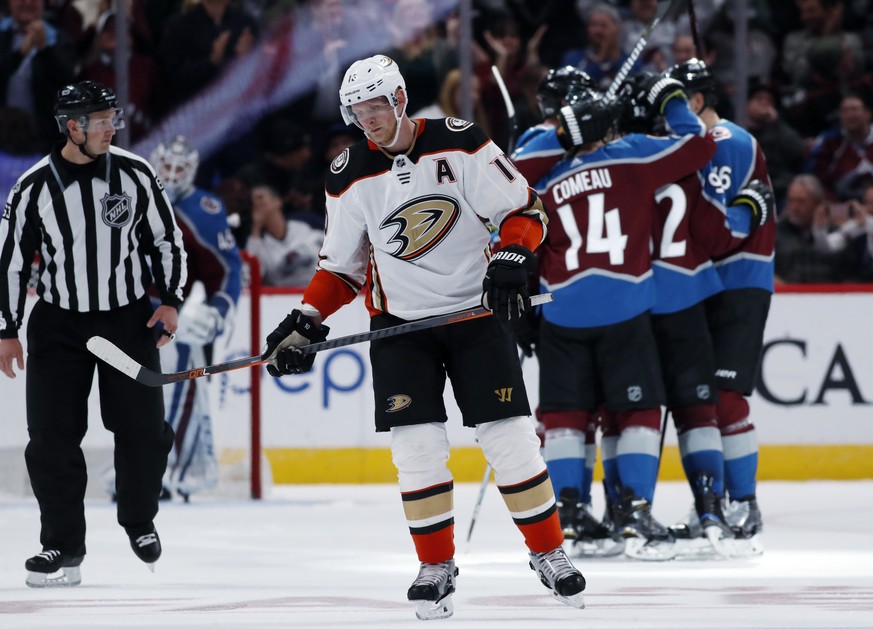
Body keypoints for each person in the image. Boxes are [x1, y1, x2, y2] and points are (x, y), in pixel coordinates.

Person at [261, 54, 586, 620]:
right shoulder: (347, 174)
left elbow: (525, 210)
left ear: (401, 100)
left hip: (474, 316)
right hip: (400, 327)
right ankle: (435, 566)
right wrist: (307, 320)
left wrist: (511, 257)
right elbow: (342, 268)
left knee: (509, 437)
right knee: (416, 450)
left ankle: (549, 553)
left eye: (376, 107)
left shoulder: (460, 143)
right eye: (357, 111)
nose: (368, 120)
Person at [513, 76, 717, 561]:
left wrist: (557, 133)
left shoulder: (546, 175)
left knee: (565, 415)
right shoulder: (634, 156)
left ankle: (571, 512)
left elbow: (505, 173)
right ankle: (635, 512)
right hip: (625, 306)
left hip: (560, 309)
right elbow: (698, 144)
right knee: (638, 411)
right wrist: (669, 97)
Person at [0, 80, 186, 586]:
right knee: (52, 441)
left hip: (127, 321)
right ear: (72, 126)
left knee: (146, 433)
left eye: (112, 119)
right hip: (59, 326)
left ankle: (139, 519)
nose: (111, 127)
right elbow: (11, 263)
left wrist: (170, 300)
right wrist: (6, 329)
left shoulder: (135, 173)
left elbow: (165, 240)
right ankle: (61, 544)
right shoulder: (34, 186)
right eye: (101, 120)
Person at [666, 58, 777, 555]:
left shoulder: (728, 142)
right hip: (708, 283)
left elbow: (723, 231)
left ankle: (744, 502)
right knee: (702, 399)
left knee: (727, 397)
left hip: (738, 280)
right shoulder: (699, 145)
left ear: (694, 103)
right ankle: (713, 501)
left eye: (673, 106)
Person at [101, 135, 242, 501]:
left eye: (181, 168)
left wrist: (218, 309)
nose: (173, 174)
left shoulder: (203, 209)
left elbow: (228, 269)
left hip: (170, 316)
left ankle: (166, 472)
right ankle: (134, 470)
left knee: (179, 390)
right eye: (168, 166)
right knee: (130, 398)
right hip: (121, 313)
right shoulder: (126, 198)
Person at [0, 0, 77, 151]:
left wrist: (44, 49)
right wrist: (20, 54)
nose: (28, 2)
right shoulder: (2, 35)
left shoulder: (59, 38)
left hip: (44, 139)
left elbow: (66, 79)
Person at [774, 174, 860, 283]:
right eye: (791, 200)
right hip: (786, 295)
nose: (794, 207)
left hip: (830, 295)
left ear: (817, 203)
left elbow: (851, 275)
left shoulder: (837, 234)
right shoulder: (775, 233)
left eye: (801, 201)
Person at [245, 183, 323, 287]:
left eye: (260, 197)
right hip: (282, 300)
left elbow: (337, 249)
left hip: (319, 292)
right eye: (252, 201)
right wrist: (256, 228)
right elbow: (248, 279)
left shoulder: (305, 225)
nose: (256, 203)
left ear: (277, 201)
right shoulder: (258, 244)